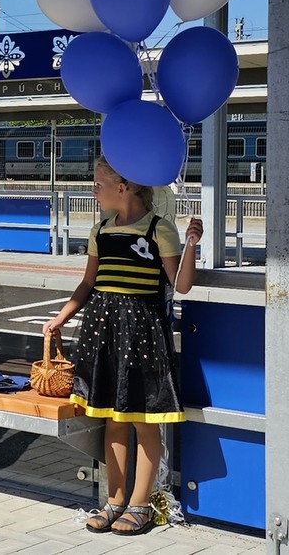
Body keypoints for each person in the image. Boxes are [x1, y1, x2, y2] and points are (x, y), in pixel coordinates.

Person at [42, 156, 203, 536]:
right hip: (104, 332)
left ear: (123, 187)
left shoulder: (159, 230)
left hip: (143, 334)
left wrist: (191, 243)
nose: (93, 192)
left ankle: (140, 504)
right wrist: (62, 316)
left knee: (144, 421)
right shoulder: (100, 231)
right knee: (113, 419)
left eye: (98, 185)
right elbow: (88, 283)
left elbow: (180, 285)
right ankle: (114, 501)